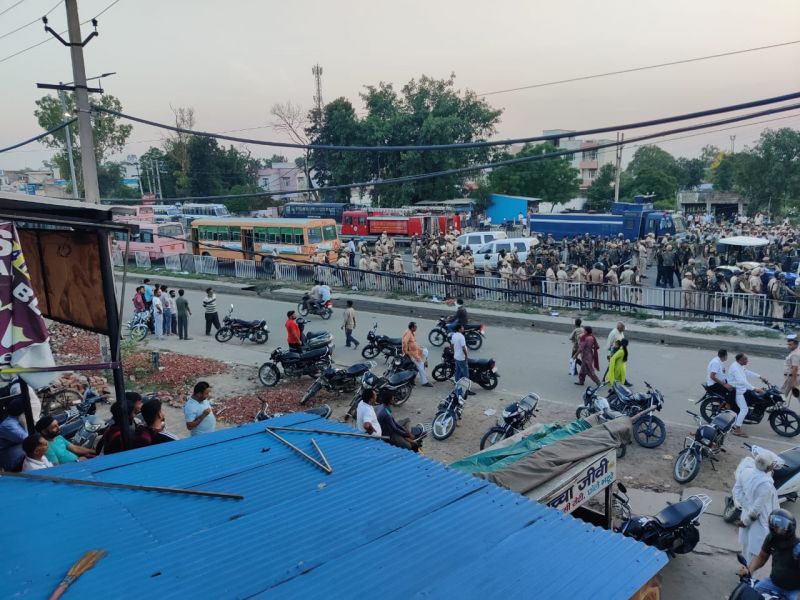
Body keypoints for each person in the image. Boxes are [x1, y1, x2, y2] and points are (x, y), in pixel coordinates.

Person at [739, 509, 800, 599]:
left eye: (781, 528)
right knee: (751, 593)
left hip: (793, 590)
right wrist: (749, 570)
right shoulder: (771, 538)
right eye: (775, 526)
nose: (777, 529)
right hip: (773, 582)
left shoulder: (797, 548)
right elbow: (762, 557)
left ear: (790, 528)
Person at [734, 450, 781, 563]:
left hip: (746, 512)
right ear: (769, 467)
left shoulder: (746, 472)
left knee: (746, 545)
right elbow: (756, 511)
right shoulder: (766, 485)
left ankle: (744, 570)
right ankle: (749, 577)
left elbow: (737, 491)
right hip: (759, 520)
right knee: (755, 550)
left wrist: (747, 505)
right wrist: (745, 521)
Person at [728, 353, 764, 437]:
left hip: (742, 389)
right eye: (745, 359)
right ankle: (737, 429)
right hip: (737, 391)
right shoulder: (735, 368)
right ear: (739, 360)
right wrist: (755, 389)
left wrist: (760, 377)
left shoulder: (739, 365)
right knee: (744, 409)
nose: (747, 360)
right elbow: (742, 382)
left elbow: (747, 372)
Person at [0, 397, 28, 470]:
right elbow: (28, 440)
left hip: (18, 452)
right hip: (11, 459)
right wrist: (24, 423)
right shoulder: (9, 425)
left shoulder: (16, 421)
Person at [401, 322, 432, 387]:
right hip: (412, 353)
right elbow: (404, 342)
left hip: (416, 350)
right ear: (412, 328)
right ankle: (424, 382)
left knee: (426, 351)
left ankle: (424, 362)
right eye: (415, 327)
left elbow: (413, 343)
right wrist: (405, 351)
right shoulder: (408, 333)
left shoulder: (412, 332)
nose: (416, 328)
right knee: (420, 366)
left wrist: (419, 347)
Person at [451, 323, 472, 393]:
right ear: (459, 329)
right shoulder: (461, 337)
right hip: (461, 358)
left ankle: (457, 385)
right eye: (462, 327)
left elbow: (452, 345)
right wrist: (466, 356)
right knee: (466, 374)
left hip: (456, 357)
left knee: (458, 372)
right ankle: (466, 390)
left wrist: (455, 353)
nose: (463, 328)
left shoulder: (453, 335)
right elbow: (463, 348)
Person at [782, 334, 800, 403]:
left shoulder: (796, 354)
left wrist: (793, 383)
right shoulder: (797, 350)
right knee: (798, 395)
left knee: (783, 393)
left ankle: (778, 407)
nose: (788, 346)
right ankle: (778, 406)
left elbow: (794, 369)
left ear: (796, 344)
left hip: (791, 377)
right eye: (788, 344)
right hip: (796, 377)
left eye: (790, 345)